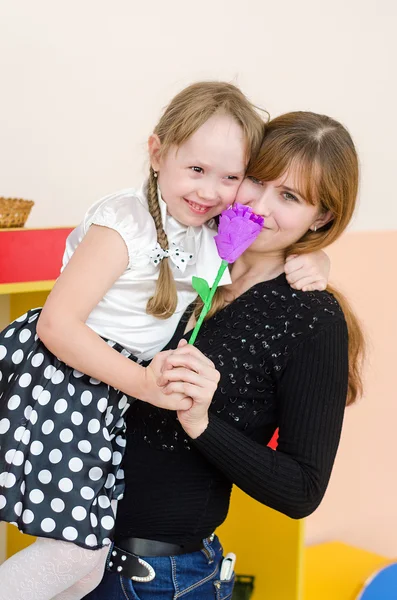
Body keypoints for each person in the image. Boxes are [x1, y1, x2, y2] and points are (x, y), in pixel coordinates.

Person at [0, 83, 327, 600]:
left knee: (80, 568)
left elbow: (262, 249)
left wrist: (316, 258)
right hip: (68, 384)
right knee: (74, 554)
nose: (217, 192)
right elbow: (57, 326)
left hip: (114, 426)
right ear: (158, 154)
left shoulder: (205, 232)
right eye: (197, 170)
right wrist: (145, 385)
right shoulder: (133, 223)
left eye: (231, 177)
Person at [84, 110, 365, 600]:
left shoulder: (310, 318)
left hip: (160, 581)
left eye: (290, 197)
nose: (259, 205)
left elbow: (302, 490)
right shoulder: (183, 246)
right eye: (255, 179)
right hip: (75, 552)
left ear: (321, 217)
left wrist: (202, 424)